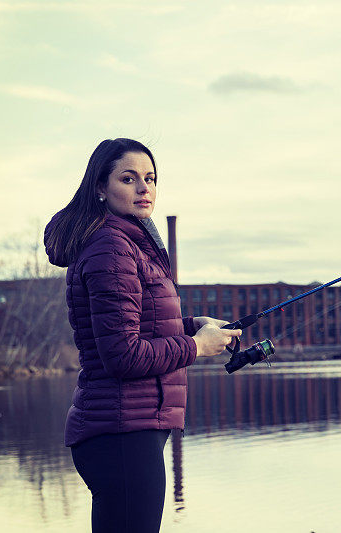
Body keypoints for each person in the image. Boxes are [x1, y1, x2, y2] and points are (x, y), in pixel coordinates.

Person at [44, 138, 240, 533]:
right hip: (120, 435)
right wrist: (197, 347)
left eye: (150, 178)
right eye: (128, 178)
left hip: (127, 431)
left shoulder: (129, 242)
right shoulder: (111, 246)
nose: (143, 188)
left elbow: (135, 326)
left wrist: (192, 326)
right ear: (100, 187)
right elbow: (123, 355)